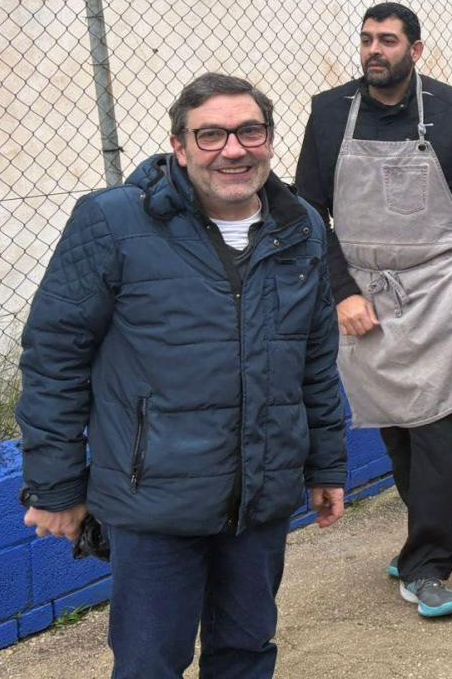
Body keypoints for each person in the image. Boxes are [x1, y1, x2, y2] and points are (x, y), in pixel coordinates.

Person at [17, 73, 347, 679]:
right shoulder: (114, 222)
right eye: (211, 134)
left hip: (261, 497)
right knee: (149, 664)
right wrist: (55, 484)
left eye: (250, 131)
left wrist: (326, 465)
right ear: (180, 145)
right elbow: (54, 356)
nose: (233, 149)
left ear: (269, 139)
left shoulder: (299, 225)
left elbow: (315, 361)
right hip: (154, 501)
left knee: (247, 654)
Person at [294, 2, 452, 619]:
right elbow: (310, 214)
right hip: (367, 300)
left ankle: (429, 565)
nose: (373, 51)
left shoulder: (451, 110)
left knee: (437, 429)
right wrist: (341, 293)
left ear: (415, 50)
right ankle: (422, 539)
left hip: (440, 291)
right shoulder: (330, 112)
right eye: (366, 40)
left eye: (387, 41)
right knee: (397, 430)